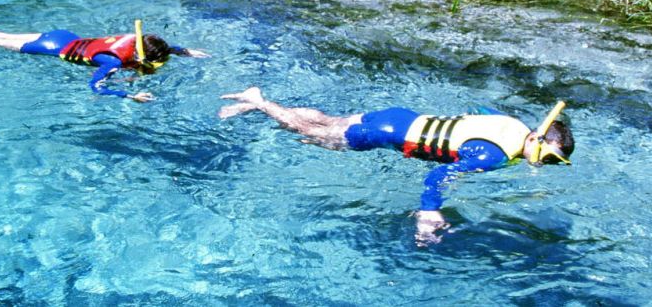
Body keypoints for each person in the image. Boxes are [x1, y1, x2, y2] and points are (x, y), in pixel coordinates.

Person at [219, 87, 574, 245]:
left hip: (399, 116)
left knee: (327, 121)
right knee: (313, 134)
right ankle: (259, 103)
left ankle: (261, 100)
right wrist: (429, 213)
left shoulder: (512, 124)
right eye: (547, 158)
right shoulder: (495, 155)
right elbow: (439, 173)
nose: (543, 165)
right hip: (387, 135)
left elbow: (480, 111)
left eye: (553, 164)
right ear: (538, 139)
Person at [0, 21, 209, 102]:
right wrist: (129, 95)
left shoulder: (138, 43)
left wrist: (185, 51)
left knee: (0, 34)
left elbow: (164, 48)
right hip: (51, 47)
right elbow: (96, 87)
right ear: (140, 57)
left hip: (65, 34)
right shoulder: (112, 61)